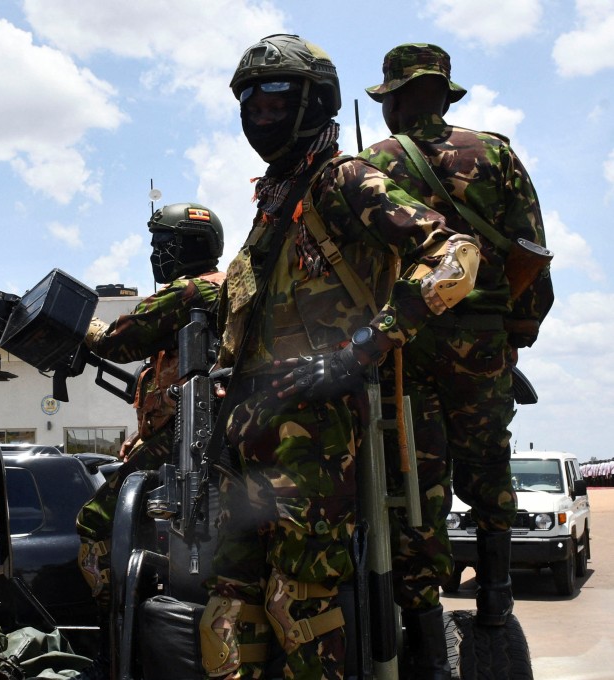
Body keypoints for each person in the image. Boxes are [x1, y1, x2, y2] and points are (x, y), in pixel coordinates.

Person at [202, 34, 481, 680]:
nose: (258, 112)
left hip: (318, 438)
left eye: (275, 98)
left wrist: (363, 349)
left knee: (298, 603)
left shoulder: (343, 180)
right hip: (247, 439)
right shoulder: (271, 204)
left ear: (313, 102)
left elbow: (454, 258)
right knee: (226, 614)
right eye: (249, 99)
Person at [360, 43, 553, 652]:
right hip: (486, 341)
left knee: (417, 483)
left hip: (405, 349)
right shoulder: (496, 153)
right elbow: (534, 257)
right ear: (443, 93)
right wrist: (515, 335)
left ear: (394, 99)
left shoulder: (375, 162)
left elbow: (360, 274)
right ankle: (496, 599)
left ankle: (423, 630)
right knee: (490, 464)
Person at [75, 202, 226, 678]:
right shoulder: (215, 296)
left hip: (189, 444)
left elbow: (118, 340)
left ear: (189, 249)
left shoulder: (193, 292)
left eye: (164, 245)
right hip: (188, 443)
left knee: (96, 524)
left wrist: (79, 325)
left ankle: (116, 631)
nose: (157, 255)